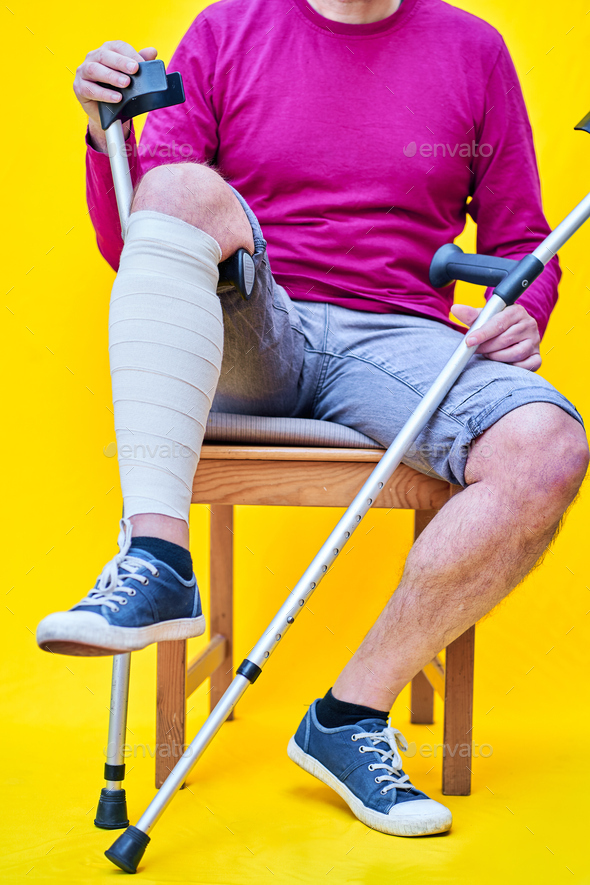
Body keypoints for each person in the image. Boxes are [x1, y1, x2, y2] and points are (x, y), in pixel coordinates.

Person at [36, 0, 588, 838]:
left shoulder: (472, 49)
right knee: (177, 183)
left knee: (548, 444)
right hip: (254, 323)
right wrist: (103, 135)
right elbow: (141, 240)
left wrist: (524, 309)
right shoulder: (227, 31)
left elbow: (520, 238)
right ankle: (157, 560)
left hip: (396, 339)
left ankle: (348, 715)